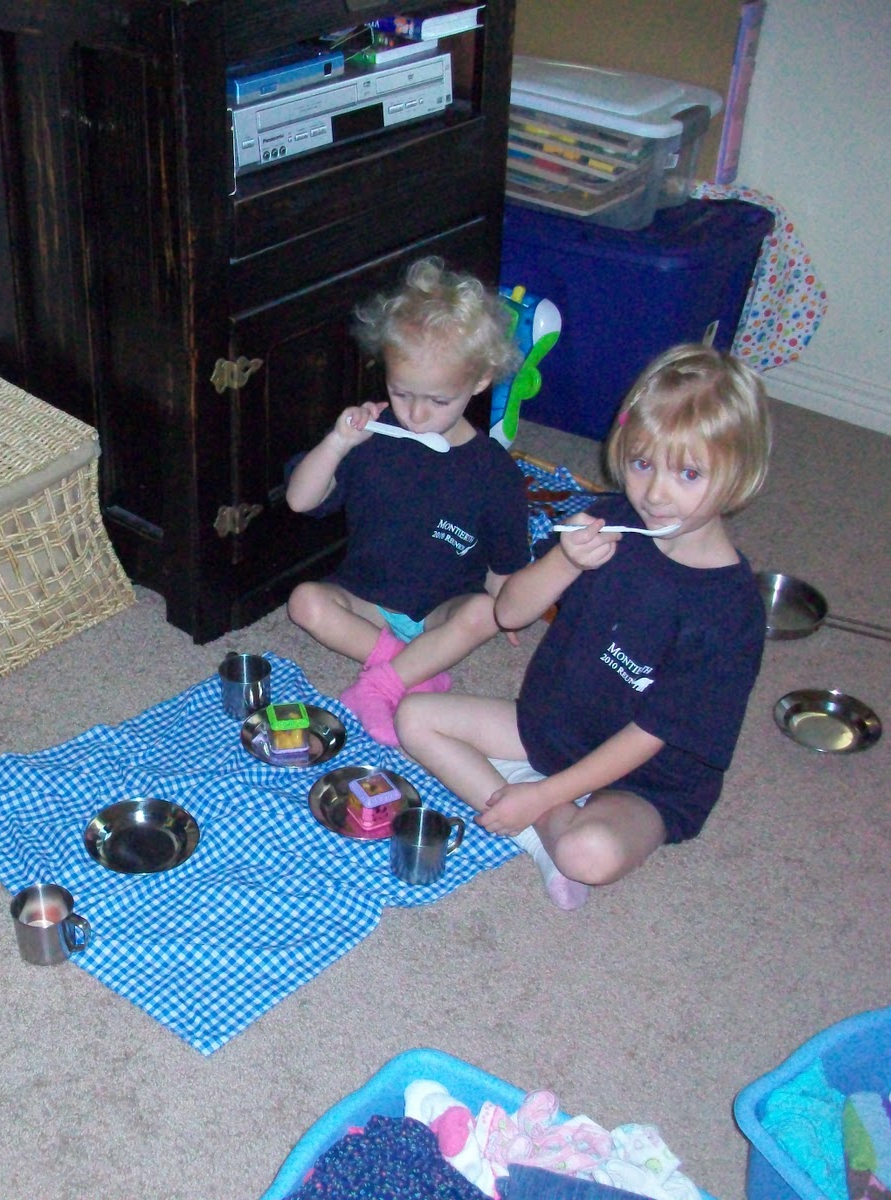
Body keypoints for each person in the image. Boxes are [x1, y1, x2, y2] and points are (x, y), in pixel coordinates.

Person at [395, 343, 771, 911]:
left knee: (589, 857)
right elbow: (510, 612)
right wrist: (565, 559)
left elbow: (650, 735)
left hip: (648, 778)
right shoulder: (610, 519)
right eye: (643, 464)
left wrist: (543, 792)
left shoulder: (731, 611)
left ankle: (550, 824)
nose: (656, 493)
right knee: (413, 716)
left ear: (740, 475)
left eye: (688, 473)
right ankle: (543, 832)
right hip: (554, 727)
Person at [286, 256, 530, 745]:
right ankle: (411, 669)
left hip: (441, 610)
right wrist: (337, 442)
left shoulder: (494, 472)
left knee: (483, 613)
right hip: (367, 601)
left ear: (480, 381)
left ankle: (381, 683)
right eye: (401, 393)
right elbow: (299, 500)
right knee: (304, 602)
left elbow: (505, 567)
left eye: (438, 401)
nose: (416, 413)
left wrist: (511, 612)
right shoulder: (371, 436)